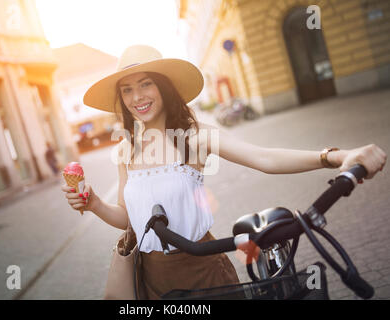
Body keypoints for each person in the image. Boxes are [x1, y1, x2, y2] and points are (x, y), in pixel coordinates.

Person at [61, 45, 387, 299]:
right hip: (151, 279)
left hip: (203, 270)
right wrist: (93, 205)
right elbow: (130, 219)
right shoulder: (125, 149)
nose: (137, 97)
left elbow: (265, 158)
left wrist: (335, 156)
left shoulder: (194, 136)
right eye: (128, 89)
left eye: (146, 84)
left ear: (163, 87)